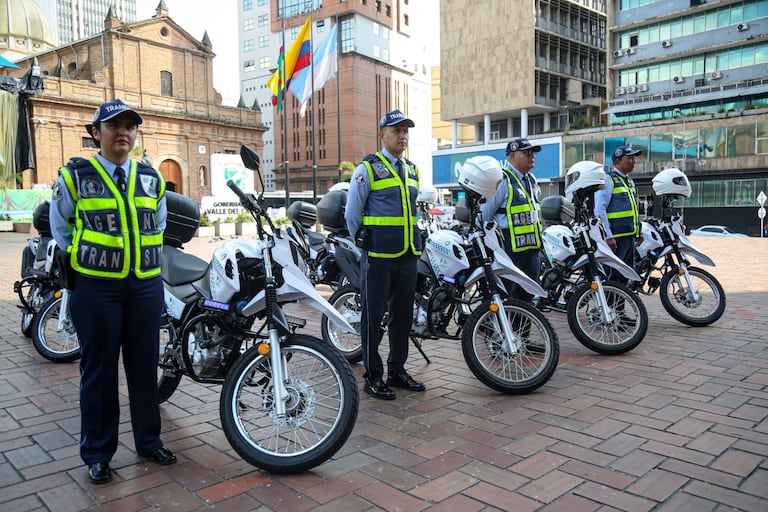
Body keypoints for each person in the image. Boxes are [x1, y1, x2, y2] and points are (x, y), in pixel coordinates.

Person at [49, 99, 175, 484]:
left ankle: (148, 441)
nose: (123, 132)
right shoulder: (75, 175)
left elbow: (160, 223)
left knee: (143, 366)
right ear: (96, 133)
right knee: (99, 371)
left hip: (145, 285)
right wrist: (86, 262)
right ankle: (99, 452)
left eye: (130, 127)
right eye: (113, 125)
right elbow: (61, 226)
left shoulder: (151, 178)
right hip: (96, 287)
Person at [345, 109, 425, 400]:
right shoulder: (367, 169)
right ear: (383, 135)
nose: (402, 136)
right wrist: (363, 248)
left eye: (406, 131)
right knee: (373, 316)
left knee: (402, 316)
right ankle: (373, 375)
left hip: (407, 254)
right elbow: (352, 214)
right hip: (377, 255)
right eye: (396, 130)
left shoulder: (413, 170)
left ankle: (397, 370)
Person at [480, 138, 543, 301]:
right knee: (503, 294)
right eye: (527, 152)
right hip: (509, 248)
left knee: (527, 297)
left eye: (534, 152)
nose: (532, 156)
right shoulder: (503, 180)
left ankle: (520, 327)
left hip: (532, 248)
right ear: (513, 156)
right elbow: (484, 215)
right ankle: (490, 327)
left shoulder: (532, 180)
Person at [594, 144, 644, 283]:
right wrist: (608, 236)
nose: (633, 161)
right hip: (616, 239)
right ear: (617, 161)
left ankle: (619, 305)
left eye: (634, 158)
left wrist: (638, 231)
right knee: (613, 277)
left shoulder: (629, 182)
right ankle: (609, 305)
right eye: (629, 158)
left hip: (629, 237)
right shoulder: (608, 180)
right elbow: (599, 210)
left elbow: (634, 209)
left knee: (625, 277)